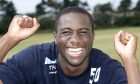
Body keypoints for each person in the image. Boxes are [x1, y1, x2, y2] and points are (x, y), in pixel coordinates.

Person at [0, 6, 139, 84]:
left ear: (93, 36)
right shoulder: (35, 58)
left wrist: (129, 59)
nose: (75, 40)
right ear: (56, 36)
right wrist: (10, 38)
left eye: (83, 32)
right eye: (66, 32)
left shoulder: (106, 67)